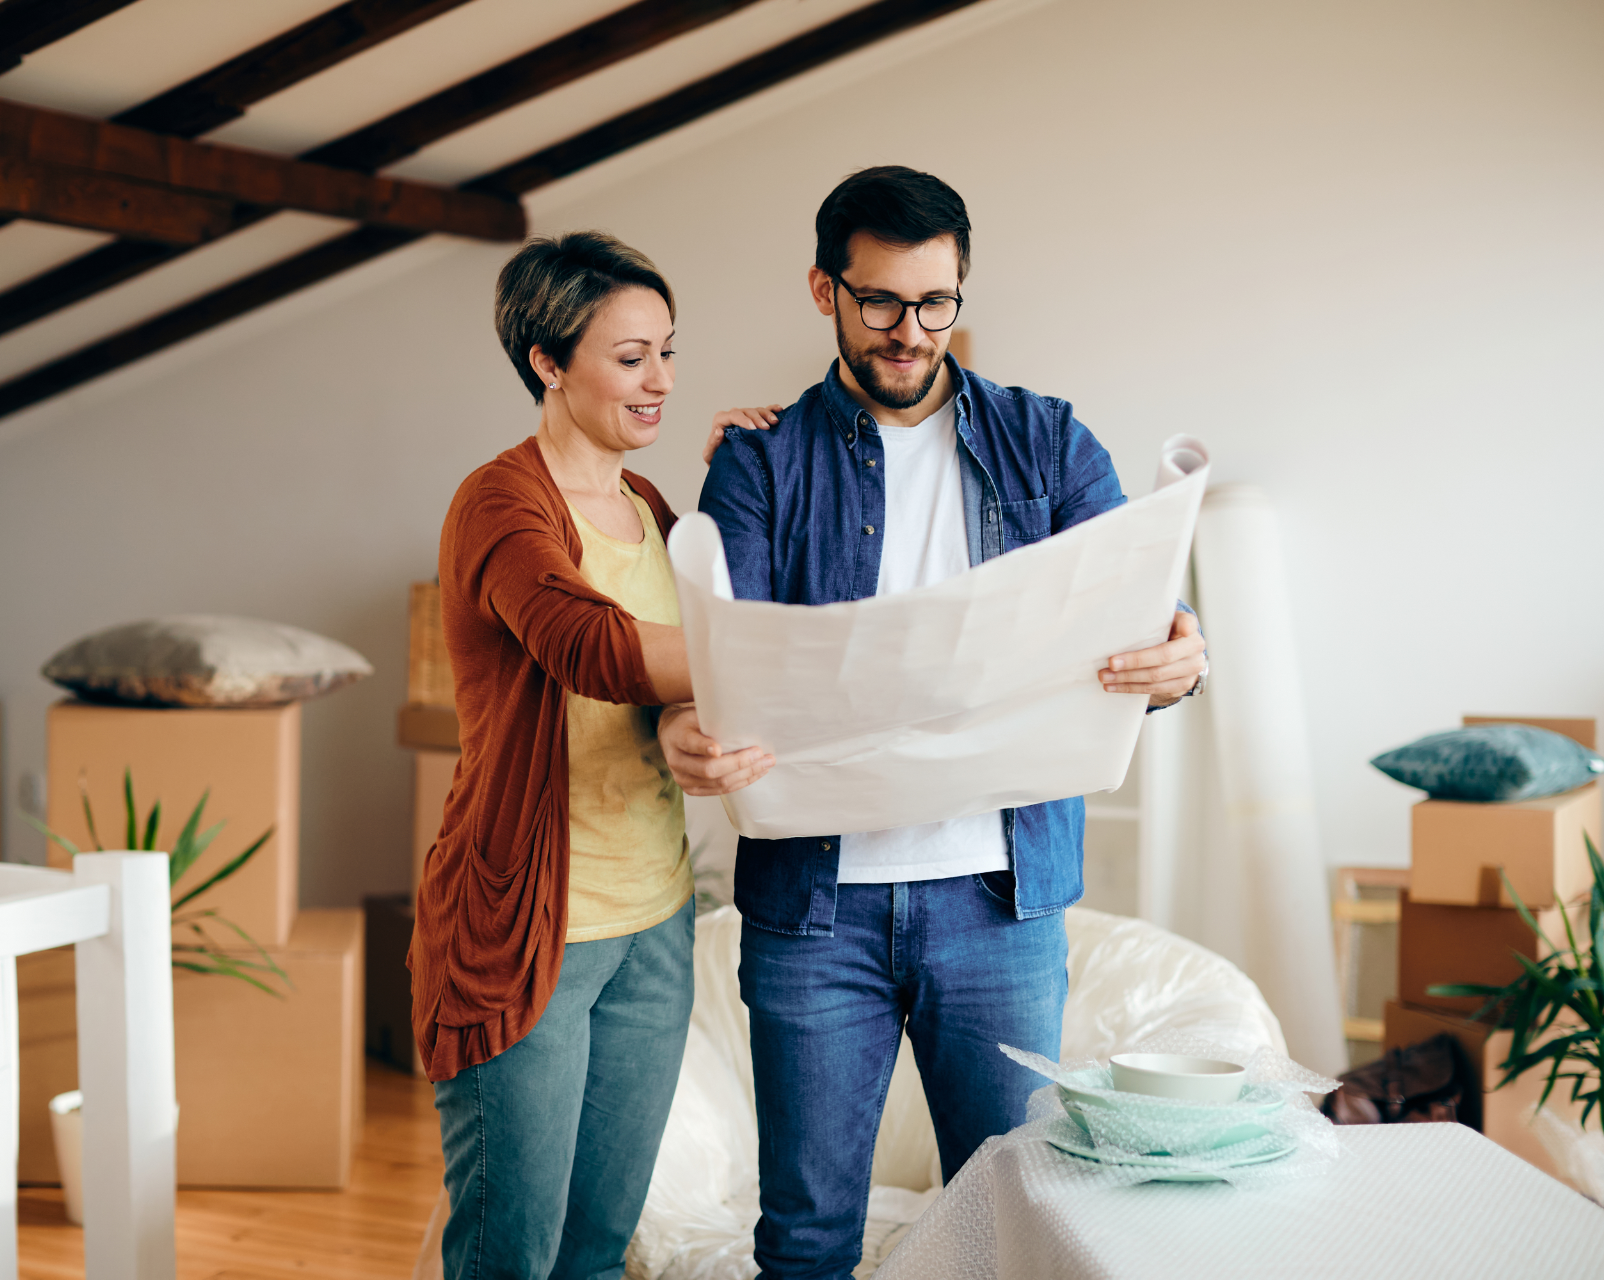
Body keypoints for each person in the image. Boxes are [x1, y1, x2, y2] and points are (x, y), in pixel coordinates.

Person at [658, 167, 1207, 1279]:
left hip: (998, 904)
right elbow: (721, 655)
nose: (911, 333)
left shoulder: (1048, 442)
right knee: (806, 1234)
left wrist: (1180, 655)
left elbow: (1134, 602)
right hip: (816, 909)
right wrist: (685, 720)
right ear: (823, 290)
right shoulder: (760, 462)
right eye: (880, 304)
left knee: (1016, 1222)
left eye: (937, 302)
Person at [411, 230, 772, 1280]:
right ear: (547, 362)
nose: (659, 379)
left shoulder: (656, 510)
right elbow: (594, 647)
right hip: (531, 934)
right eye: (629, 357)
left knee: (601, 1251)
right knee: (510, 1256)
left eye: (668, 350)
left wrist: (751, 465)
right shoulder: (500, 502)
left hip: (653, 921)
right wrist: (764, 660)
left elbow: (652, 696)